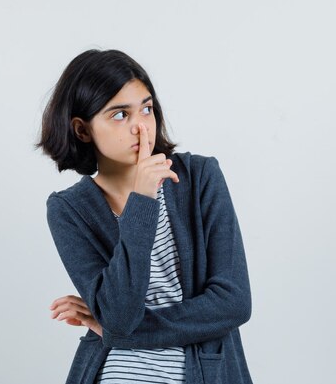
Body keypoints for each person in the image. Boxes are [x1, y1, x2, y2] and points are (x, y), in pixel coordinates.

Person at [36, 49, 253, 384]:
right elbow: (120, 316)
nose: (141, 127)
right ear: (82, 130)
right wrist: (142, 199)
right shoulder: (69, 210)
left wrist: (124, 333)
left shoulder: (199, 177)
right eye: (120, 115)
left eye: (147, 108)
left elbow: (233, 303)